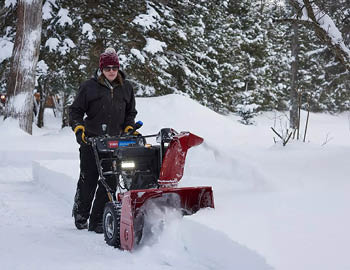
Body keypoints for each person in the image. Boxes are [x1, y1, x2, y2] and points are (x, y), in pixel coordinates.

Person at [69, 47, 137, 233]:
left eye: (114, 67)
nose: (111, 71)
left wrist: (129, 127)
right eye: (107, 68)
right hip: (91, 141)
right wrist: (79, 129)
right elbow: (75, 111)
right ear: (101, 69)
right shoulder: (89, 87)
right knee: (88, 179)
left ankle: (98, 220)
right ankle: (81, 214)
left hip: (115, 143)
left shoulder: (126, 87)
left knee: (111, 181)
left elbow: (130, 112)